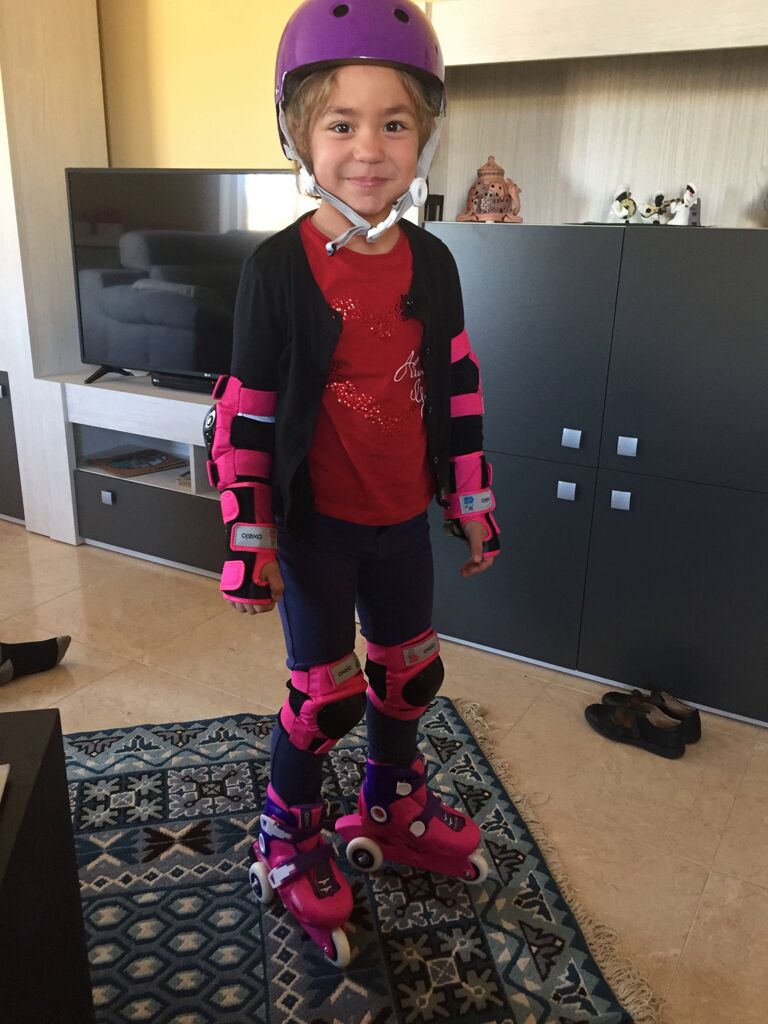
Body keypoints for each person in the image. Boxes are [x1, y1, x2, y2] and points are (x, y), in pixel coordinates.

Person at [205, 0, 500, 967]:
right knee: (324, 696)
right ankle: (285, 829)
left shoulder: (434, 262)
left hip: (401, 521)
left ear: (424, 135)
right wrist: (250, 540)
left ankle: (392, 799)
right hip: (318, 528)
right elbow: (246, 414)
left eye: (395, 123)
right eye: (341, 123)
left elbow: (456, 384)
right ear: (297, 132)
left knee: (411, 675)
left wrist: (472, 501)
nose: (369, 149)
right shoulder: (276, 269)